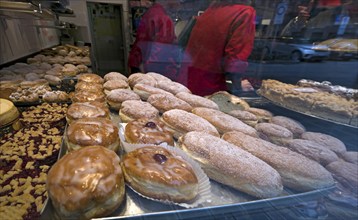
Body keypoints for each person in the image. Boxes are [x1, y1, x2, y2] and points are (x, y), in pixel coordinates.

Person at [176, 0, 256, 96]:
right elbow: (235, 58)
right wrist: (238, 85)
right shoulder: (245, 13)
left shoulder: (212, 9)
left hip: (188, 77)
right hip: (212, 84)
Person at [128, 0, 180, 77]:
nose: (179, 4)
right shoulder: (164, 19)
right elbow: (161, 52)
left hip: (137, 63)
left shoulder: (151, 12)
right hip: (151, 70)